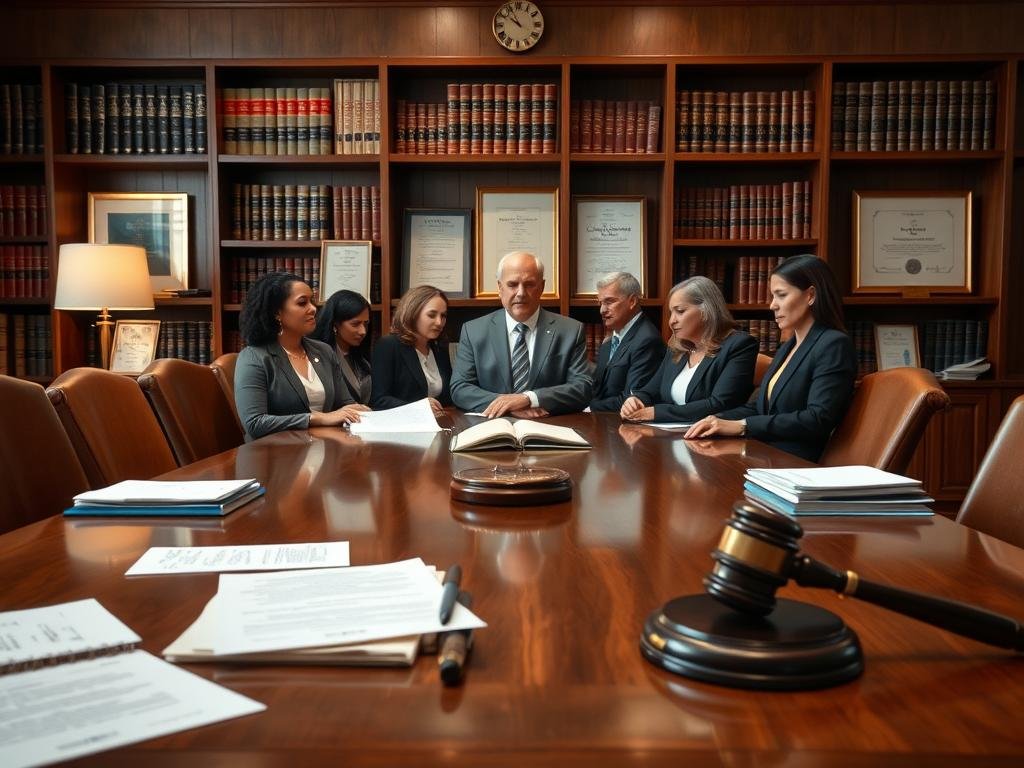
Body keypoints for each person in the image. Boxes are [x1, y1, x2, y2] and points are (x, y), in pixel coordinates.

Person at [685, 254, 857, 462]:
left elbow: (817, 419)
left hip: (795, 463)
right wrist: (715, 420)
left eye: (781, 295)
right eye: (772, 296)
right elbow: (758, 408)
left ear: (810, 295)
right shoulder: (789, 346)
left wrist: (742, 426)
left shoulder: (833, 344)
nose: (772, 305)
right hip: (765, 454)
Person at [450, 251, 592, 418]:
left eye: (529, 284)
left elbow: (582, 388)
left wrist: (528, 399)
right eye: (512, 284)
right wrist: (508, 405)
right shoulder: (474, 331)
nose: (521, 293)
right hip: (492, 430)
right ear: (499, 288)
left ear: (542, 287)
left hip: (550, 429)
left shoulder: (569, 330)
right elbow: (460, 388)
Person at [234, 272, 369, 441]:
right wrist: (317, 417)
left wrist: (361, 412)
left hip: (324, 450)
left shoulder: (324, 351)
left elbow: (345, 405)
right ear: (277, 312)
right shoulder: (254, 357)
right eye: (302, 302)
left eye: (312, 301)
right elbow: (254, 423)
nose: (313, 308)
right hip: (273, 457)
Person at [620, 276, 758, 423]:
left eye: (680, 311)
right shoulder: (676, 348)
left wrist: (658, 413)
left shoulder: (739, 345)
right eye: (671, 312)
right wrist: (636, 400)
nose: (672, 321)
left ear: (706, 311)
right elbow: (651, 391)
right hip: (673, 437)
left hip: (714, 440)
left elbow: (720, 403)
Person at [370, 284, 452, 416]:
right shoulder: (388, 346)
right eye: (432, 315)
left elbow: (447, 398)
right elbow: (379, 400)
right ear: (412, 313)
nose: (439, 322)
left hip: (437, 425)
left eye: (443, 316)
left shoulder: (439, 348)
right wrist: (419, 407)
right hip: (401, 428)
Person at [589, 272, 664, 412]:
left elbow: (631, 400)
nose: (602, 310)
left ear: (632, 301)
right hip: (601, 422)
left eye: (609, 302)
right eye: (600, 303)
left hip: (624, 426)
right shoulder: (613, 337)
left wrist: (586, 408)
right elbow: (598, 389)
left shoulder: (647, 340)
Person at [312, 289, 372, 405]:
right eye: (355, 324)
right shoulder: (318, 356)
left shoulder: (361, 355)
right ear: (335, 325)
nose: (363, 331)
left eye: (366, 324)